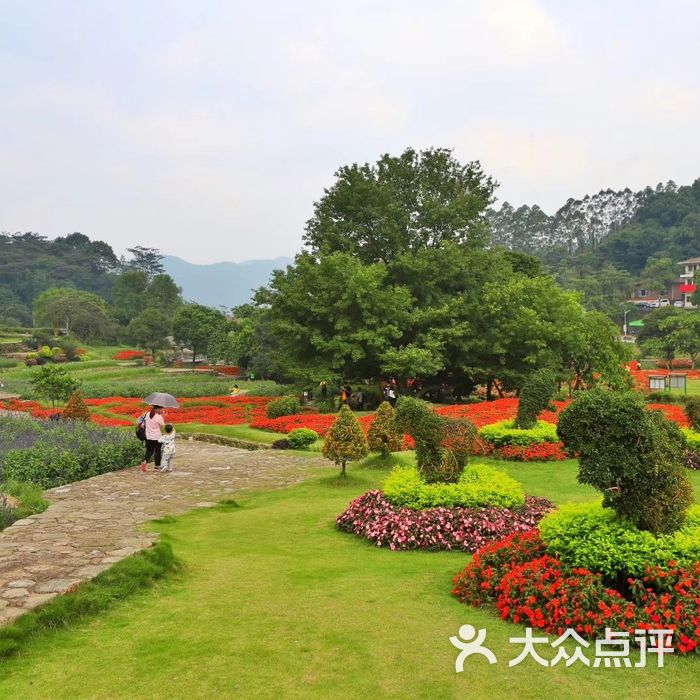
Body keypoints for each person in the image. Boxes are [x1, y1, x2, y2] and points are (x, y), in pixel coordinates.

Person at [140, 405, 165, 472]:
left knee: (149, 451)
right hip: (157, 437)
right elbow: (162, 425)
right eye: (160, 409)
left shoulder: (147, 414)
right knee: (157, 452)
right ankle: (157, 466)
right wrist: (163, 416)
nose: (160, 410)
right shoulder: (159, 417)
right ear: (157, 409)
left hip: (148, 436)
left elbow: (143, 421)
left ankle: (145, 462)